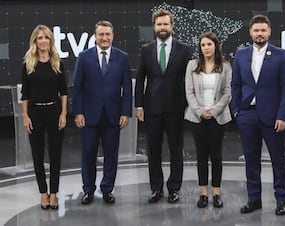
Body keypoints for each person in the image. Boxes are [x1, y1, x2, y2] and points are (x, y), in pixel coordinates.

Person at [231, 14, 285, 215]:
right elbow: (236, 85)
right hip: (247, 115)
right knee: (251, 159)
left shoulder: (281, 55)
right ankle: (254, 198)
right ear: (250, 32)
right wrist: (237, 110)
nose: (259, 34)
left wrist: (283, 116)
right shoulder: (240, 55)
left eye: (263, 30)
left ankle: (281, 199)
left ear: (269, 32)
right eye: (256, 30)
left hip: (273, 116)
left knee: (278, 159)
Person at [72, 20, 132, 205]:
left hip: (113, 116)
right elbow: (77, 87)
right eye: (101, 34)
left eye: (107, 34)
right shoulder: (84, 57)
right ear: (95, 36)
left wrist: (125, 112)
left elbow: (127, 88)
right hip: (89, 116)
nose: (104, 38)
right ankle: (88, 190)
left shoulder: (123, 57)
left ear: (112, 36)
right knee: (88, 154)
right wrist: (78, 112)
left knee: (111, 155)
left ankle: (107, 189)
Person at [135, 9, 191, 204]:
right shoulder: (146, 49)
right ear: (154, 27)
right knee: (153, 150)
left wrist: (187, 104)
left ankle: (174, 188)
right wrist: (139, 106)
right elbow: (140, 78)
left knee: (176, 150)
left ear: (171, 26)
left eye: (166, 24)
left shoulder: (184, 49)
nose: (162, 28)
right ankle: (156, 188)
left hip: (176, 108)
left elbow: (188, 79)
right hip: (152, 109)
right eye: (159, 25)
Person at [21, 24, 68, 210]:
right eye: (40, 38)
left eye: (46, 37)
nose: (43, 41)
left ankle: (54, 193)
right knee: (37, 156)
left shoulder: (58, 63)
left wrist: (64, 113)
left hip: (55, 112)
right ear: (35, 41)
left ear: (50, 40)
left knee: (55, 156)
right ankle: (43, 193)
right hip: (35, 114)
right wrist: (25, 116)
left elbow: (64, 92)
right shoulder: (28, 64)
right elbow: (25, 94)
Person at [185, 31, 232, 208]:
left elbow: (228, 92)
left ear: (215, 46)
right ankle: (203, 193)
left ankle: (216, 193)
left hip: (218, 117)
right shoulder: (192, 65)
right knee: (201, 155)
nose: (206, 48)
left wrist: (214, 110)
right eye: (203, 45)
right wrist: (200, 111)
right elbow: (189, 91)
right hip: (197, 117)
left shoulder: (225, 66)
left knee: (217, 155)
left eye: (209, 44)